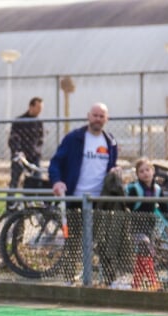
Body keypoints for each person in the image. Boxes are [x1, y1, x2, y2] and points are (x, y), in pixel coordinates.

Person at [48, 102, 119, 282]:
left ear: (106, 119)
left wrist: (114, 173)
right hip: (75, 199)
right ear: (88, 116)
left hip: (99, 201)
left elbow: (110, 167)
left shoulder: (110, 142)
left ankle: (109, 280)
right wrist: (57, 182)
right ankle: (69, 277)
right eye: (95, 115)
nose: (98, 119)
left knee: (104, 241)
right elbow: (56, 162)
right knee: (73, 240)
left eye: (101, 116)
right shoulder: (74, 139)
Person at [124, 158, 165, 290]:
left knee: (143, 256)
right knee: (146, 251)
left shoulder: (157, 189)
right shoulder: (134, 189)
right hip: (136, 226)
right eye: (141, 171)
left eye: (147, 170)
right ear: (137, 174)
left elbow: (164, 206)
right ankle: (154, 283)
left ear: (152, 171)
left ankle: (135, 284)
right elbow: (127, 204)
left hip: (150, 227)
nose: (145, 173)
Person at [8, 97, 44, 191]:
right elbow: (13, 139)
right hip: (20, 156)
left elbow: (40, 139)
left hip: (33, 155)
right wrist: (18, 152)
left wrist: (37, 151)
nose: (40, 110)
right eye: (38, 107)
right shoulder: (19, 121)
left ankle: (36, 202)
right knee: (14, 180)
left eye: (41, 108)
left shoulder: (38, 122)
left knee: (37, 179)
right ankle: (10, 203)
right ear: (31, 107)